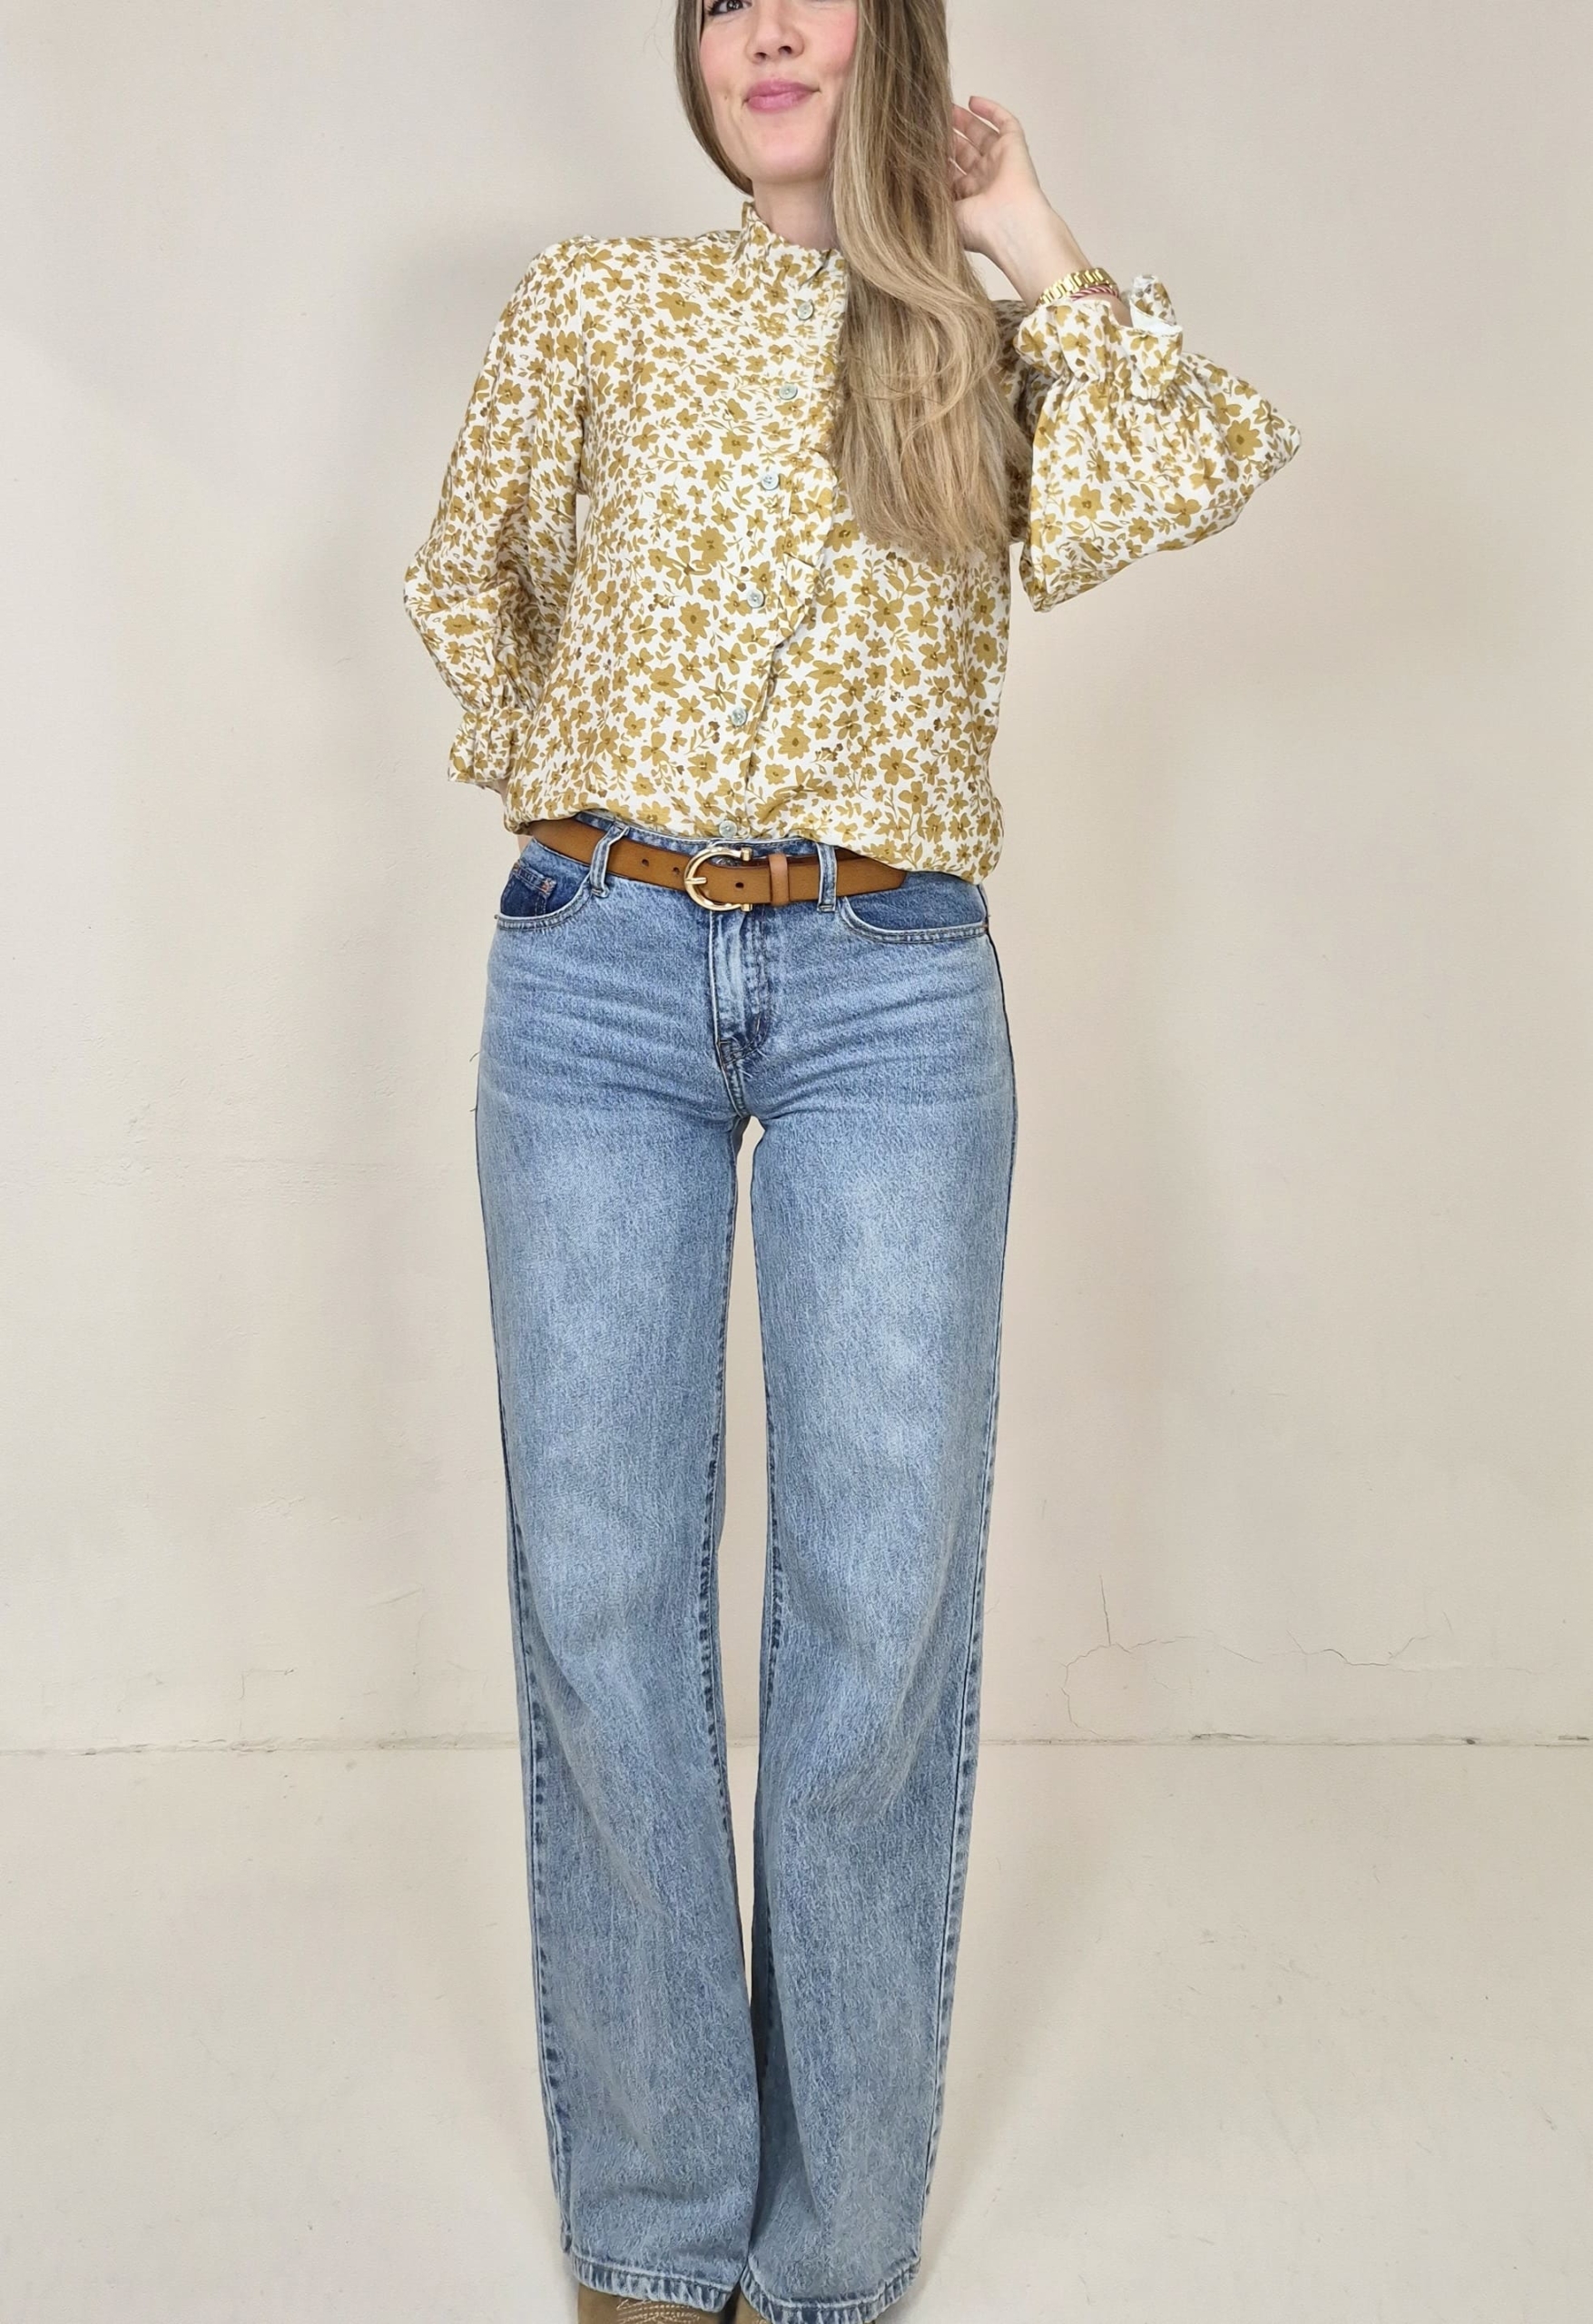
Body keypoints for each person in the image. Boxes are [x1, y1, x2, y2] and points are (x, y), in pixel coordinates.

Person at [402, 3, 1300, 2319]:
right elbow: (464, 576)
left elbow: (1189, 462)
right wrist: (573, 797)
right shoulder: (598, 299)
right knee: (603, 1587)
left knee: (876, 1601)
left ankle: (826, 2247)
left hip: (887, 983)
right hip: (595, 978)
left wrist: (1021, 230)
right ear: (692, 57)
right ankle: (654, 2214)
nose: (767, 26)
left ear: (890, 38)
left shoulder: (969, 346)